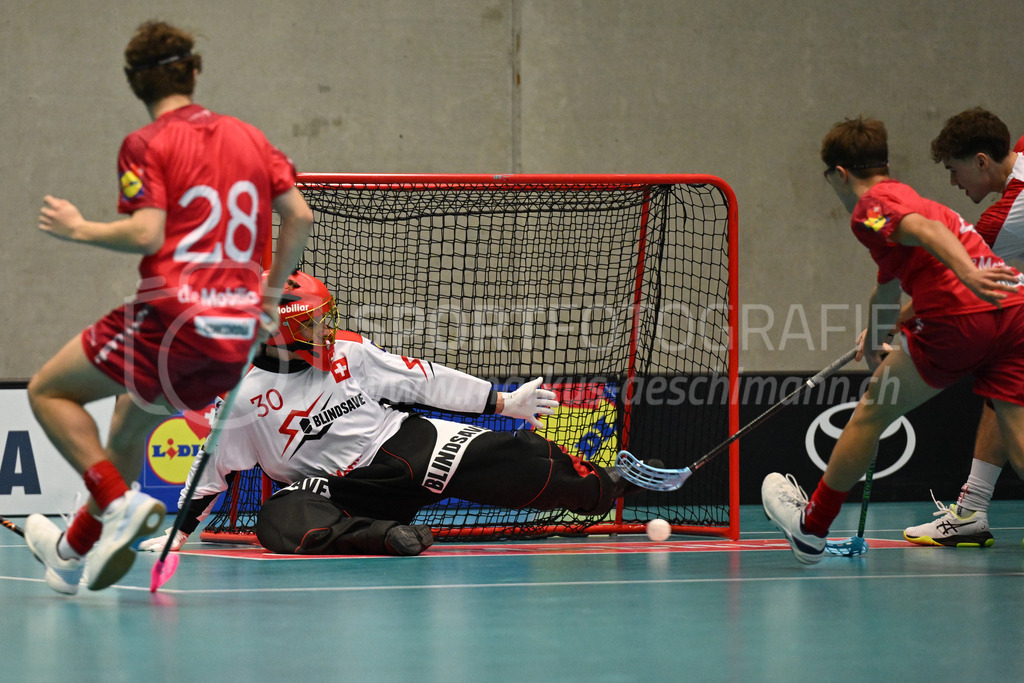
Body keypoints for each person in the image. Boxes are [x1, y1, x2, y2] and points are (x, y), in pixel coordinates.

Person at [24, 20, 312, 594]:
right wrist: (270, 299)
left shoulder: (146, 143)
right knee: (127, 432)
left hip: (173, 319)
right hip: (234, 339)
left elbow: (146, 233)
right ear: (195, 71)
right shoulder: (252, 138)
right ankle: (71, 552)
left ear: (134, 84)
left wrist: (78, 229)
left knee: (49, 391)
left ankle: (117, 503)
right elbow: (299, 216)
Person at [140, 271, 652, 556]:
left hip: (403, 444)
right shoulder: (242, 402)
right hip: (341, 491)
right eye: (315, 323)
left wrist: (502, 403)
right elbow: (209, 476)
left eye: (326, 318)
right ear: (281, 333)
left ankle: (610, 485)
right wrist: (177, 534)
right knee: (278, 522)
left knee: (527, 463)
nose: (328, 329)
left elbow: (420, 378)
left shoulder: (349, 351)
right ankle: (389, 538)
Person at [761, 115, 1024, 565]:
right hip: (1015, 311)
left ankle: (812, 528)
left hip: (961, 318)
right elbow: (887, 286)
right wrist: (881, 332)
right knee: (1017, 433)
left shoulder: (870, 208)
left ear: (840, 174)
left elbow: (929, 231)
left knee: (869, 414)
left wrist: (967, 273)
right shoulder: (899, 196)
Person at [902, 108, 1024, 547]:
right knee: (1000, 395)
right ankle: (971, 511)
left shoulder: (1002, 220)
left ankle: (971, 510)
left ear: (981, 161)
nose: (954, 183)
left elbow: (949, 278)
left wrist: (893, 321)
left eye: (955, 172)